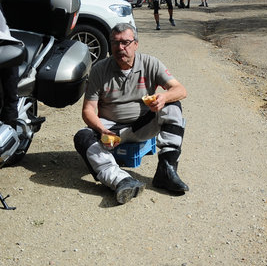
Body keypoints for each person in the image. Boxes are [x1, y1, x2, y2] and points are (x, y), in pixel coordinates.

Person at [74, 23, 189, 205]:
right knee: (82, 136)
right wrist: (102, 129)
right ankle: (121, 180)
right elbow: (88, 110)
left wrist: (163, 97)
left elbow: (180, 89)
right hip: (112, 131)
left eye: (126, 42)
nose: (120, 48)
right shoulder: (99, 69)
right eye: (115, 43)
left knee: (173, 104)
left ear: (136, 44)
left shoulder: (151, 63)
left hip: (143, 125)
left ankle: (167, 169)